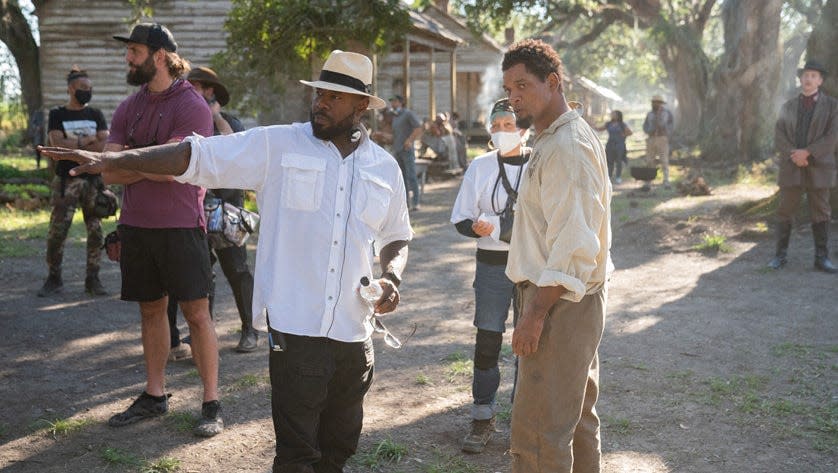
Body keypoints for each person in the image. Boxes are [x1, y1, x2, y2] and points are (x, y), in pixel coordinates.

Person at [40, 49, 413, 473]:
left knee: (341, 446)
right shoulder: (277, 145)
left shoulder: (384, 168)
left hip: (354, 331)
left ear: (362, 105)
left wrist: (392, 277)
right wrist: (114, 159)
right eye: (319, 93)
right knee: (295, 454)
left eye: (335, 97)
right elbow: (194, 156)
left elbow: (397, 234)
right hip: (296, 328)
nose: (321, 103)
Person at [104, 23, 222, 437]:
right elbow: (108, 170)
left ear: (159, 56)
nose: (127, 58)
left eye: (134, 51)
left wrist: (130, 165)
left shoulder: (192, 106)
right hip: (135, 225)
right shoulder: (127, 107)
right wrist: (143, 167)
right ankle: (155, 395)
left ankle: (211, 402)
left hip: (181, 226)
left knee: (196, 313)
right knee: (151, 309)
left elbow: (177, 170)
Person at [501, 39, 612, 473]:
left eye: (522, 86)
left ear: (553, 83)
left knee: (540, 428)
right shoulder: (554, 138)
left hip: (558, 302)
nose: (514, 98)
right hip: (565, 298)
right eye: (508, 89)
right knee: (574, 418)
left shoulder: (567, 146)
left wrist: (534, 314)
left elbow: (574, 241)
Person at [450, 98, 530, 454]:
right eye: (495, 125)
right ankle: (482, 417)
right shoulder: (480, 166)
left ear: (523, 128)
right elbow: (461, 218)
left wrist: (499, 225)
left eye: (507, 124)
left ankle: (525, 418)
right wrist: (479, 227)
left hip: (532, 266)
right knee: (488, 341)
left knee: (530, 345)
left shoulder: (541, 162)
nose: (500, 131)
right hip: (492, 267)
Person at [166, 66, 258, 358]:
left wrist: (215, 116)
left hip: (228, 210)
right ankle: (202, 340)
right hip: (194, 211)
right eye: (190, 86)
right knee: (201, 276)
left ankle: (250, 329)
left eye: (200, 87)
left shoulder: (229, 122)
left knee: (238, 271)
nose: (194, 91)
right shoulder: (186, 121)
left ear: (212, 92)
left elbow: (239, 152)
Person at [37, 66, 109, 297]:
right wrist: (86, 142)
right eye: (83, 88)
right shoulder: (58, 114)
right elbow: (56, 145)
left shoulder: (96, 114)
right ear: (71, 89)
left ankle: (93, 279)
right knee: (57, 232)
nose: (87, 92)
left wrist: (73, 144)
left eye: (90, 88)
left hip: (93, 181)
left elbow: (104, 146)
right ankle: (54, 278)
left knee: (96, 232)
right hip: (66, 182)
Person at [769, 60, 837, 273]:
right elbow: (779, 135)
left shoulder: (833, 106)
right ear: (801, 79)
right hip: (792, 165)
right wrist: (794, 154)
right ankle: (779, 256)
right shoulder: (788, 106)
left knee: (821, 210)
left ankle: (822, 258)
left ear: (820, 81)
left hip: (820, 165)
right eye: (806, 75)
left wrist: (807, 152)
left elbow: (833, 136)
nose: (809, 79)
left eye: (814, 76)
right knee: (785, 209)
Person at [389, 94, 423, 210]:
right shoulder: (395, 117)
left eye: (393, 101)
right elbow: (395, 135)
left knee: (411, 176)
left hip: (407, 150)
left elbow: (418, 128)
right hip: (397, 150)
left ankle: (416, 202)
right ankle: (406, 204)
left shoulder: (408, 114)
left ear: (400, 102)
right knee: (401, 178)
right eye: (391, 102)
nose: (392, 104)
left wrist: (409, 140)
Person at [642, 95, 674, 188]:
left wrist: (665, 132)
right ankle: (649, 181)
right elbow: (645, 125)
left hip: (662, 138)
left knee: (664, 159)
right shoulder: (650, 114)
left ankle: (666, 180)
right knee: (649, 160)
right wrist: (648, 131)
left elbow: (670, 126)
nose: (654, 104)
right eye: (653, 102)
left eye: (657, 102)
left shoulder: (667, 113)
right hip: (651, 138)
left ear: (660, 103)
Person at [598, 110, 632, 184]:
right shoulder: (609, 124)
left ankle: (618, 177)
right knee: (609, 161)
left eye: (614, 114)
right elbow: (600, 129)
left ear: (618, 116)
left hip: (619, 145)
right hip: (610, 144)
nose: (612, 115)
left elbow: (630, 132)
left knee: (619, 161)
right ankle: (609, 176)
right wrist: (592, 126)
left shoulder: (622, 124)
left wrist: (623, 135)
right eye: (612, 114)